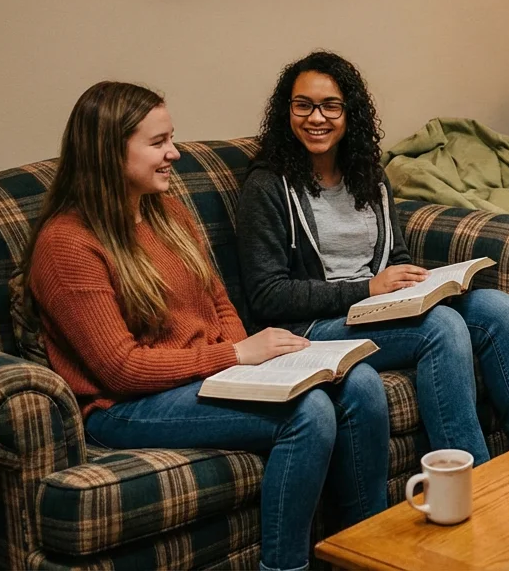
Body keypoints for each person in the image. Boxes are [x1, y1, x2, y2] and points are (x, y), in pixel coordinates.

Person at [26, 81, 388, 571]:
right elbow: (120, 369)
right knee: (308, 413)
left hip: (207, 375)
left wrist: (253, 365)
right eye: (158, 143)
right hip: (124, 407)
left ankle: (368, 555)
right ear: (109, 151)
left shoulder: (167, 212)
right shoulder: (67, 244)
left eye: (171, 138)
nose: (174, 153)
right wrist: (236, 356)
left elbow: (218, 302)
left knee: (361, 382)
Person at [236, 51, 509, 465]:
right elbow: (268, 295)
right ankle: (468, 481)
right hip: (311, 327)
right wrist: (368, 289)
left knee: (498, 308)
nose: (316, 118)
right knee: (441, 328)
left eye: (330, 106)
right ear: (287, 111)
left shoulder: (367, 174)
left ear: (349, 113)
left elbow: (395, 255)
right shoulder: (267, 186)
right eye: (303, 105)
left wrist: (423, 287)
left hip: (375, 309)